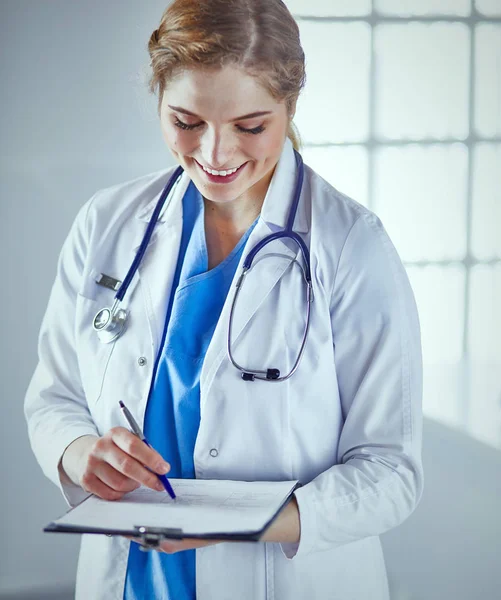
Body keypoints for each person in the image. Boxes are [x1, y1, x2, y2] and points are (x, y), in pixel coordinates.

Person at [24, 1, 424, 598]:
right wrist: (80, 452)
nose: (214, 155)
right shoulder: (108, 223)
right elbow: (54, 396)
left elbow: (390, 474)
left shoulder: (350, 246)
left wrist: (248, 522)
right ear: (158, 99)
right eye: (186, 122)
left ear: (290, 105)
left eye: (250, 126)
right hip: (129, 580)